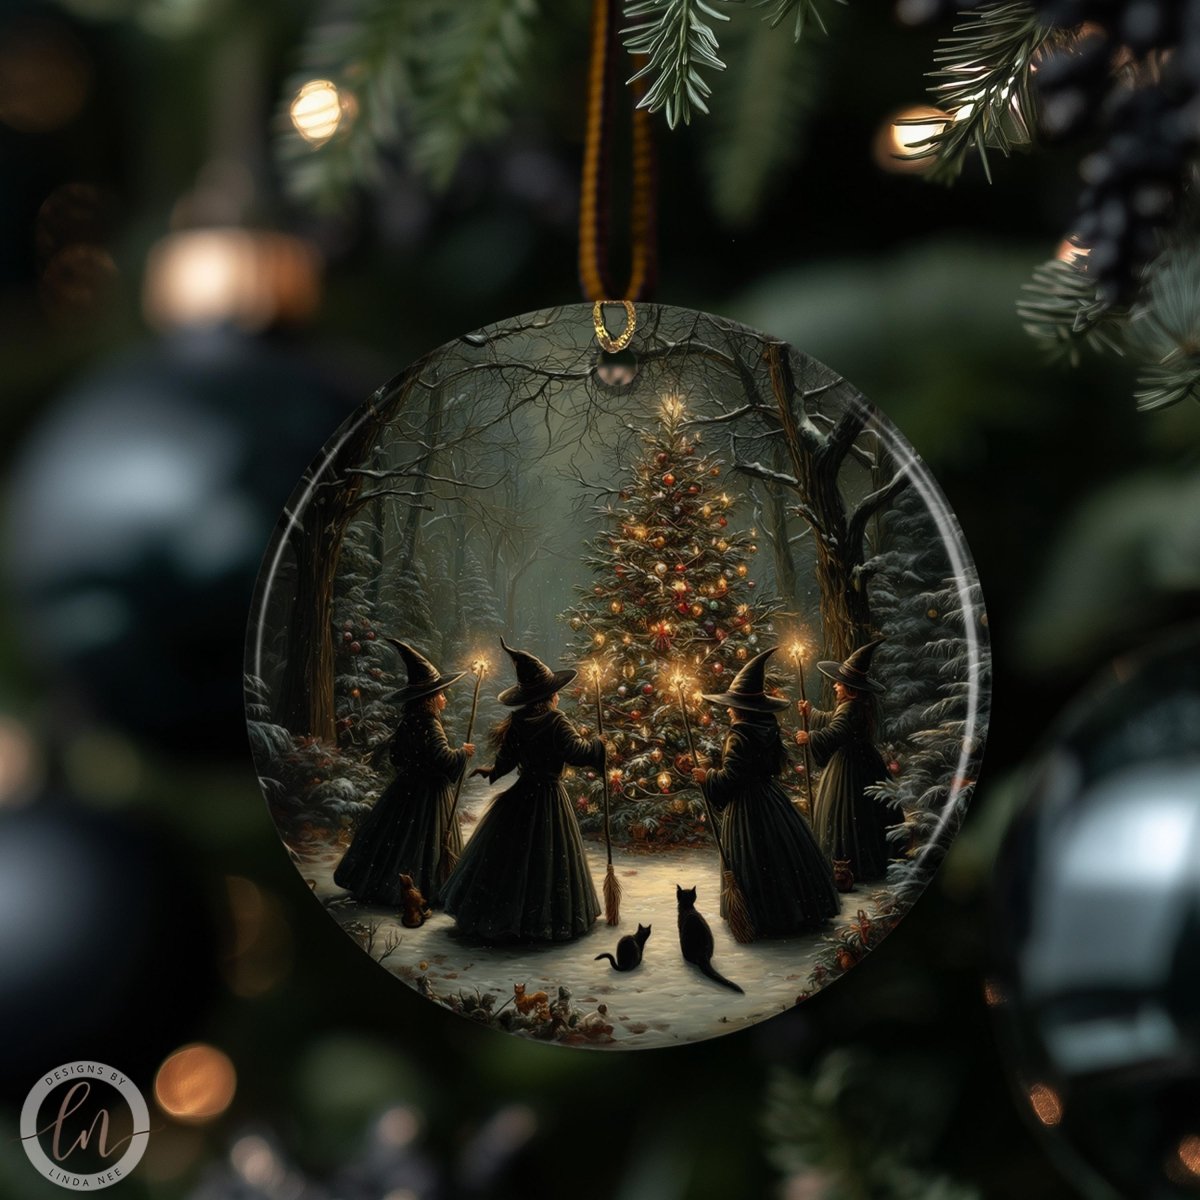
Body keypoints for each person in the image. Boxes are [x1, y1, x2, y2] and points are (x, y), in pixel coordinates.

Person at [439, 638, 603, 942]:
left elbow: (507, 758)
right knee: (546, 858)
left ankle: (505, 917)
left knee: (513, 859)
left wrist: (493, 771)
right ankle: (542, 922)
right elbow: (576, 753)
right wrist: (597, 746)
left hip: (522, 794)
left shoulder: (518, 721)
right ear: (550, 695)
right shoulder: (556, 721)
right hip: (549, 797)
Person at [691, 648, 840, 936]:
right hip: (771, 800)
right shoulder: (767, 728)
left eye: (732, 705)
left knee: (753, 859)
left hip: (747, 808)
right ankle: (792, 911)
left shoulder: (738, 736)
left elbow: (732, 778)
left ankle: (761, 917)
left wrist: (707, 776)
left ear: (741, 709)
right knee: (783, 856)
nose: (728, 710)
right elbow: (769, 766)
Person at [334, 640, 474, 904]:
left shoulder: (409, 721)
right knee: (423, 843)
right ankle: (425, 891)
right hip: (429, 796)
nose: (445, 698)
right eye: (441, 694)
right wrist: (462, 753)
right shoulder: (430, 724)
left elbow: (397, 756)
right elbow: (441, 758)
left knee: (396, 840)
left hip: (405, 791)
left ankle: (386, 886)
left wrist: (415, 766)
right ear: (430, 698)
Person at [795, 639, 895, 884]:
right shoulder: (854, 706)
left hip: (851, 769)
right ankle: (856, 866)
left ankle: (848, 869)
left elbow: (836, 732)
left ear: (850, 688)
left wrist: (810, 737)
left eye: (839, 683)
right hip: (863, 763)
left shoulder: (850, 708)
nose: (835, 686)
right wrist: (812, 713)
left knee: (846, 816)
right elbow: (834, 720)